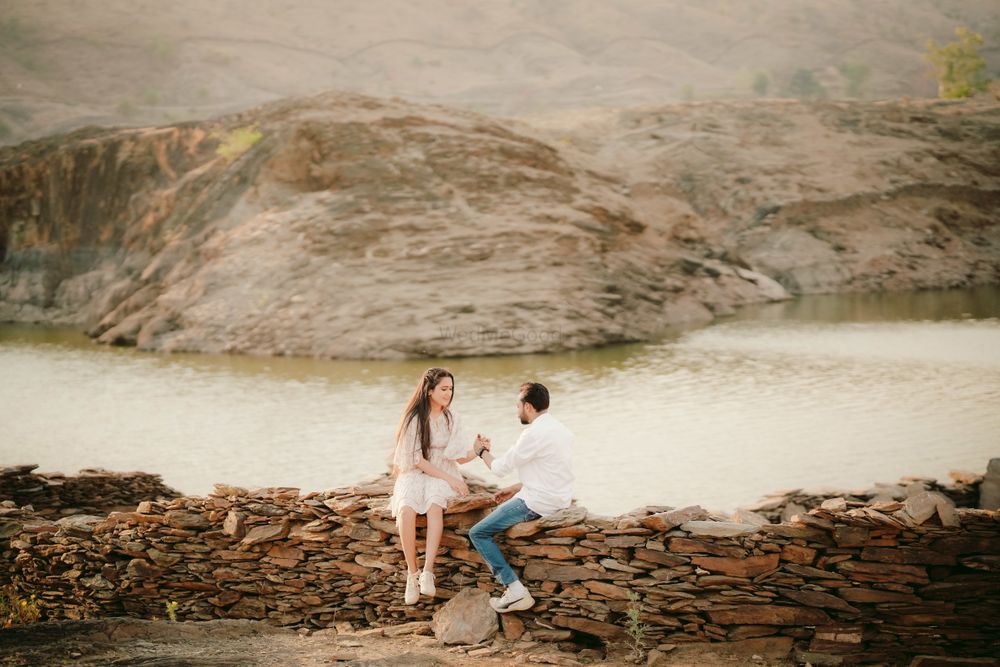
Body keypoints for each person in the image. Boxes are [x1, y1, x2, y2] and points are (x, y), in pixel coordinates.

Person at [469, 381, 574, 613]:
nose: (516, 411)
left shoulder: (532, 434)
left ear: (527, 406)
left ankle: (514, 589)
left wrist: (481, 451)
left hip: (537, 503)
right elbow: (550, 472)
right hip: (558, 498)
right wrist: (517, 487)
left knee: (478, 532)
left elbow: (498, 468)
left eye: (517, 406)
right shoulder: (562, 430)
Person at [388, 367, 478, 604]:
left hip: (443, 470)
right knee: (406, 509)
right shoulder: (414, 419)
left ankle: (428, 572)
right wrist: (452, 480)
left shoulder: (453, 418)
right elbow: (417, 460)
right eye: (443, 389)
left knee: (434, 506)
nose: (448, 393)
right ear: (429, 391)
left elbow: (458, 456)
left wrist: (477, 450)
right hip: (417, 470)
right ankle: (412, 573)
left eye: (451, 389)